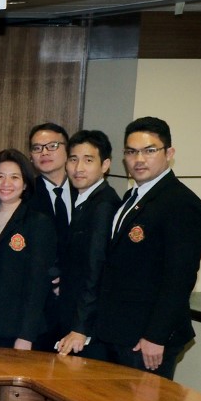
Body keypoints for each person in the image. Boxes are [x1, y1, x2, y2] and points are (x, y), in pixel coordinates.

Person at [92, 117, 201, 378]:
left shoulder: (181, 203)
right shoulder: (132, 197)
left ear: (169, 153)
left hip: (146, 340)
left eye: (149, 150)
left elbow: (179, 277)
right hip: (118, 331)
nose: (139, 159)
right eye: (131, 152)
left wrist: (156, 336)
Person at [0, 150, 57, 350]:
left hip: (17, 333)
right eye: (0, 176)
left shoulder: (37, 223)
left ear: (24, 184)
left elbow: (38, 284)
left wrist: (26, 335)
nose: (6, 183)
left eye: (14, 177)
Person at [54, 130, 120, 360]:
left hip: (87, 327)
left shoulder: (104, 205)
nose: (78, 167)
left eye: (88, 160)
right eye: (73, 159)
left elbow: (96, 269)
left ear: (106, 165)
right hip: (71, 313)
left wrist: (81, 327)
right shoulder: (82, 199)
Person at [28, 122, 73, 235]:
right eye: (37, 148)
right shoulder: (26, 193)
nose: (44, 152)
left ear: (68, 151)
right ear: (31, 157)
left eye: (52, 146)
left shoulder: (84, 190)